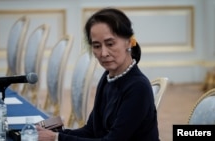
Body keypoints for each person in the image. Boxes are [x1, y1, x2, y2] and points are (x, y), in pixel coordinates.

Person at [37, 7, 160, 141]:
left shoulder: (138, 87)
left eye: (110, 44)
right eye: (96, 46)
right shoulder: (108, 77)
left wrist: (57, 138)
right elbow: (91, 130)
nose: (103, 53)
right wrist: (53, 135)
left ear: (129, 42)